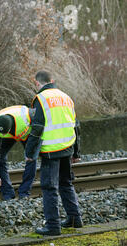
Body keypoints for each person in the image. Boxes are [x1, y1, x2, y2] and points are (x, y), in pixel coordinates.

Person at [25, 70, 82, 236]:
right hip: (67, 147)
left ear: (37, 83)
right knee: (66, 183)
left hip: (50, 150)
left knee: (49, 187)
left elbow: (37, 128)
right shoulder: (66, 97)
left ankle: (53, 226)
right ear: (52, 80)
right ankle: (74, 218)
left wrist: (30, 152)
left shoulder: (40, 99)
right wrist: (76, 152)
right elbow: (75, 126)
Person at [0, 105, 37, 200]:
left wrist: (31, 150)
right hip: (11, 135)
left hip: (26, 133)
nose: (2, 135)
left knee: (31, 158)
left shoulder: (28, 116)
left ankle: (24, 192)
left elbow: (39, 128)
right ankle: (7, 194)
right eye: (1, 133)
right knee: (0, 157)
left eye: (4, 133)